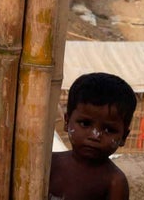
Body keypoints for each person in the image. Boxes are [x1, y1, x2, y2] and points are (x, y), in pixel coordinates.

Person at [48, 72, 136, 200]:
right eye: (85, 124)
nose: (95, 136)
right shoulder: (49, 163)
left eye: (109, 130)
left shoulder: (115, 182)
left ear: (123, 137)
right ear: (67, 122)